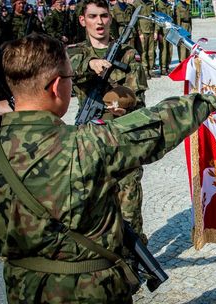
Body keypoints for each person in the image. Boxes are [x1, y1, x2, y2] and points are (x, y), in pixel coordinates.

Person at [0, 32, 216, 303]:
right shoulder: (86, 145)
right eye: (69, 78)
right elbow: (155, 124)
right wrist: (210, 101)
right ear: (56, 86)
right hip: (89, 289)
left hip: (22, 288)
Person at [68, 0, 149, 245]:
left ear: (110, 18)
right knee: (92, 203)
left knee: (129, 206)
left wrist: (114, 105)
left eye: (103, 16)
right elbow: (68, 70)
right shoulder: (76, 54)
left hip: (123, 139)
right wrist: (91, 64)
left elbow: (136, 97)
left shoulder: (127, 53)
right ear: (83, 20)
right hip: (89, 140)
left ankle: (135, 259)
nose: (99, 22)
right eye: (93, 16)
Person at [135, 0, 158, 79]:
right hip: (143, 31)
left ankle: (150, 70)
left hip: (151, 30)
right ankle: (145, 71)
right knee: (143, 52)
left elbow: (155, 17)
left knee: (151, 52)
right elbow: (136, 20)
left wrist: (155, 31)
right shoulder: (137, 3)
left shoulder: (151, 3)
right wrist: (140, 33)